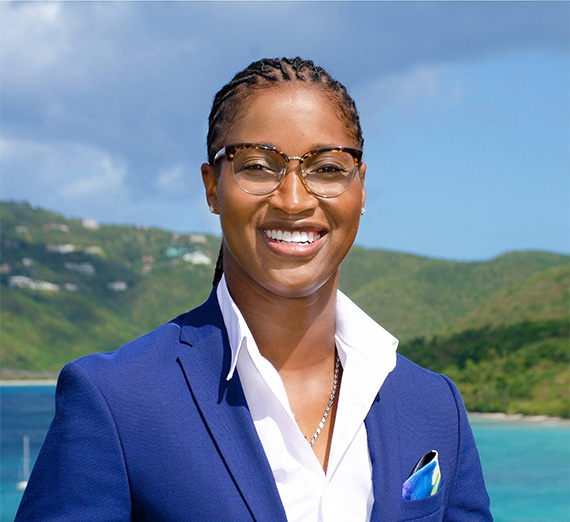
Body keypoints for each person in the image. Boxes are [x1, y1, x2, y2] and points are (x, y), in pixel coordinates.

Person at [16, 57, 492, 521]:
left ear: (360, 188)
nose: (293, 199)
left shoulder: (433, 404)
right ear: (211, 187)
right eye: (258, 166)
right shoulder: (116, 400)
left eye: (327, 168)